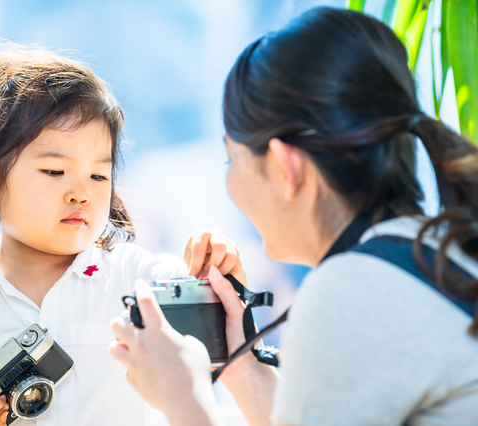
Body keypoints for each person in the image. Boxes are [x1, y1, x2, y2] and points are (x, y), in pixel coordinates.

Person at [109, 7, 478, 426]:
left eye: (232, 160)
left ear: (286, 167)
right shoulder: (433, 251)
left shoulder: (350, 293)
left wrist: (183, 400)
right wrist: (241, 360)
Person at [0, 43, 245, 426]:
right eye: (55, 172)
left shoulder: (130, 277)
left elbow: (190, 292)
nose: (82, 193)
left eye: (99, 175)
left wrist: (211, 266)